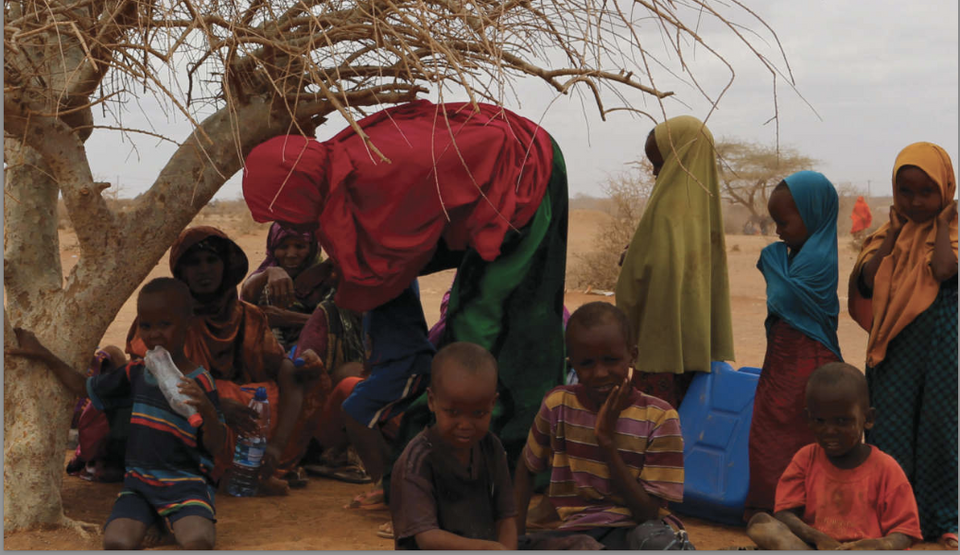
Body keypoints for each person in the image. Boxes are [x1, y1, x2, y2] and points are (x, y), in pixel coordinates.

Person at [241, 101, 568, 488]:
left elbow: (388, 264)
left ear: (299, 189)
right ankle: (466, 466)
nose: (291, 223)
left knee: (487, 331)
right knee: (471, 334)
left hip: (526, 174)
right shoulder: (344, 176)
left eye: (287, 210)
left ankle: (511, 466)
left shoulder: (377, 174)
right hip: (494, 178)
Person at [7, 278, 226, 550]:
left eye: (165, 324)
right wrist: (43, 355)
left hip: (185, 484)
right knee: (116, 542)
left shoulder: (201, 382)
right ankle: (155, 518)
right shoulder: (136, 373)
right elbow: (84, 387)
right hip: (139, 484)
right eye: (146, 326)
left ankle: (169, 519)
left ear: (187, 324)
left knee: (198, 541)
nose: (154, 334)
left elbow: (216, 444)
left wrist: (206, 408)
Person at [127, 226, 325, 494]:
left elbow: (283, 369)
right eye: (194, 263)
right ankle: (223, 471)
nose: (204, 270)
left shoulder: (249, 316)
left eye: (212, 260)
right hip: (189, 413)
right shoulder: (165, 317)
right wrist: (215, 403)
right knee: (217, 393)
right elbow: (147, 375)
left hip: (242, 415)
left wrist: (276, 446)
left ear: (226, 265)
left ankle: (270, 463)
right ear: (180, 270)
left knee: (304, 381)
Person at [847, 142, 958, 547]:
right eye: (906, 192)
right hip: (895, 348)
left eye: (927, 192)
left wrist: (942, 226)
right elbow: (867, 280)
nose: (915, 201)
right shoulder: (887, 234)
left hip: (944, 350)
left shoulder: (954, 233)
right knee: (889, 429)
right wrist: (893, 234)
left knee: (941, 431)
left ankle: (945, 518)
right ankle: (894, 516)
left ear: (946, 189)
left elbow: (944, 269)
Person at [514, 302, 692, 550]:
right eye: (586, 363)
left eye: (611, 360)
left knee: (655, 542)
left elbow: (647, 512)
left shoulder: (660, 417)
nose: (599, 373)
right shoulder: (558, 406)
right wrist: (515, 537)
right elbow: (527, 466)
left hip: (636, 530)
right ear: (572, 364)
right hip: (577, 531)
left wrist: (606, 442)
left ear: (633, 356)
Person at [615, 116, 735, 409]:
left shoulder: (667, 211)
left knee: (652, 425)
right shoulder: (706, 209)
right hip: (697, 346)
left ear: (681, 158)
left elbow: (650, 271)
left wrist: (632, 259)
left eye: (660, 163)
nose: (656, 172)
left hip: (660, 350)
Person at [744, 172, 843, 517]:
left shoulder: (817, 260)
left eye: (783, 223)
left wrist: (773, 259)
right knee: (767, 430)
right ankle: (770, 506)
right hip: (782, 360)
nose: (778, 232)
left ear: (813, 215)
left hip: (808, 362)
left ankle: (800, 512)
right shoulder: (796, 255)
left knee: (802, 432)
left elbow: (783, 295)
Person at [746, 363, 923, 550]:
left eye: (842, 421)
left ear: (868, 419)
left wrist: (877, 545)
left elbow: (905, 533)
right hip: (814, 547)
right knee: (762, 524)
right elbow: (784, 514)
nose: (829, 431)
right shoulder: (805, 459)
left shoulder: (886, 469)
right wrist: (817, 538)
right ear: (808, 418)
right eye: (819, 421)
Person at [389, 342, 517, 550]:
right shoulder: (417, 461)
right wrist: (489, 549)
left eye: (478, 413)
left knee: (568, 544)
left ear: (492, 404)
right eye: (453, 412)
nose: (465, 425)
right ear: (432, 401)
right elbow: (427, 539)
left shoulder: (491, 447)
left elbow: (506, 518)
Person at [241, 222, 364, 361]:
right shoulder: (266, 279)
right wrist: (270, 272)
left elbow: (345, 324)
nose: (291, 254)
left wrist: (287, 318)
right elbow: (246, 297)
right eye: (283, 247)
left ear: (312, 248)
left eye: (300, 246)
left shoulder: (328, 279)